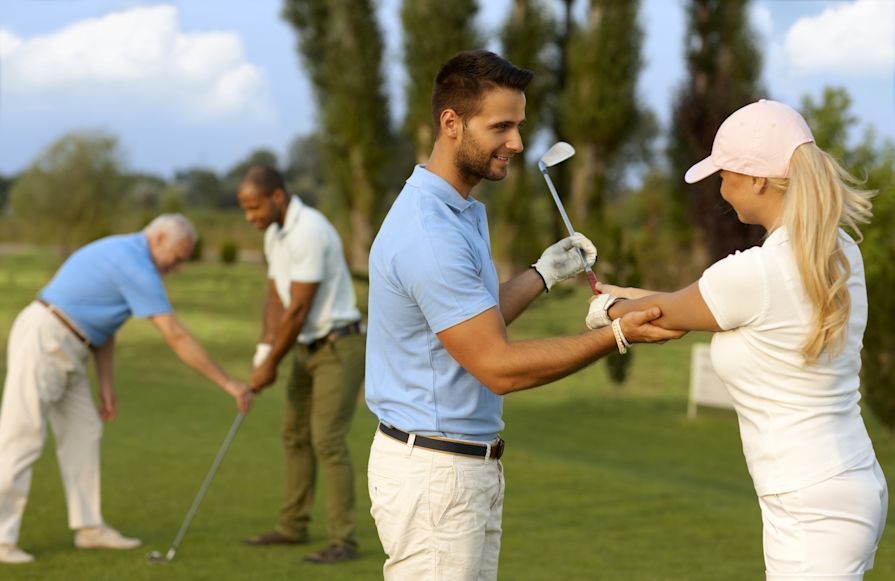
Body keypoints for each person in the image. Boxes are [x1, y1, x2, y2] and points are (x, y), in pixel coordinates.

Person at [364, 49, 682, 580]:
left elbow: (474, 320)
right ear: (451, 123)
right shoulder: (431, 233)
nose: (516, 142)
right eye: (502, 126)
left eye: (519, 125)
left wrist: (542, 273)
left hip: (459, 468)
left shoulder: (459, 210)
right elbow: (496, 365)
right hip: (436, 475)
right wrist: (617, 335)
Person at [587, 99, 886, 580]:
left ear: (758, 180)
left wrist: (604, 309)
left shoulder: (756, 273)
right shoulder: (838, 250)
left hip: (808, 503)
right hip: (846, 481)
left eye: (724, 175)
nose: (721, 188)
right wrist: (626, 296)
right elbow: (697, 302)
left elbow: (668, 313)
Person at [0, 214, 254, 565]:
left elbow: (106, 323)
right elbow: (174, 334)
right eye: (178, 258)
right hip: (46, 340)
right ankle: (1, 539)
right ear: (159, 238)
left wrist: (106, 383)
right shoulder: (135, 263)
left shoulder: (128, 252)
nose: (178, 268)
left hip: (72, 345)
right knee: (21, 438)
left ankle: (89, 528)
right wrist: (229, 383)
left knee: (84, 432)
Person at [237, 165, 366, 565]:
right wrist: (264, 349)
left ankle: (343, 540)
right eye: (245, 209)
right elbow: (276, 297)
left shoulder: (308, 229)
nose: (250, 217)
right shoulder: (275, 234)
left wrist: (271, 363)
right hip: (306, 348)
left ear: (277, 197)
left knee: (326, 439)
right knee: (294, 434)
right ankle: (292, 526)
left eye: (254, 207)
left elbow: (299, 308)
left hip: (339, 346)